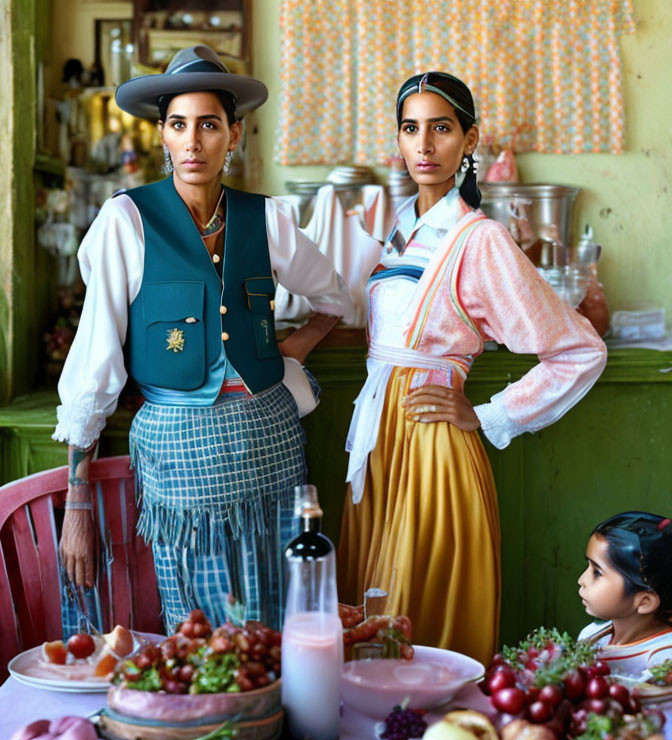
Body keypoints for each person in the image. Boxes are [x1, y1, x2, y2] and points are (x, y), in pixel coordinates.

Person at [54, 45, 352, 633]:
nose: (193, 142)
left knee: (277, 618)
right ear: (162, 134)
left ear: (233, 134)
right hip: (180, 452)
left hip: (271, 442)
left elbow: (336, 298)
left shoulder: (266, 218)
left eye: (209, 125)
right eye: (179, 125)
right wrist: (77, 500)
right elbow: (94, 366)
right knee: (199, 626)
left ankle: (276, 721)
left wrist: (298, 345)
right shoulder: (126, 221)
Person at [338, 72, 607, 665]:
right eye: (411, 129)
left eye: (441, 128)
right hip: (379, 441)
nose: (425, 145)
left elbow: (580, 350)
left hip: (433, 446)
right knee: (367, 616)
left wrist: (487, 413)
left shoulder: (477, 238)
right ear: (399, 141)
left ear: (469, 139)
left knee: (410, 621)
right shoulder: (400, 232)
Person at [578, 512, 672, 678]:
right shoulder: (591, 636)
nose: (581, 580)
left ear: (644, 601)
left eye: (597, 572)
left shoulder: (663, 661)